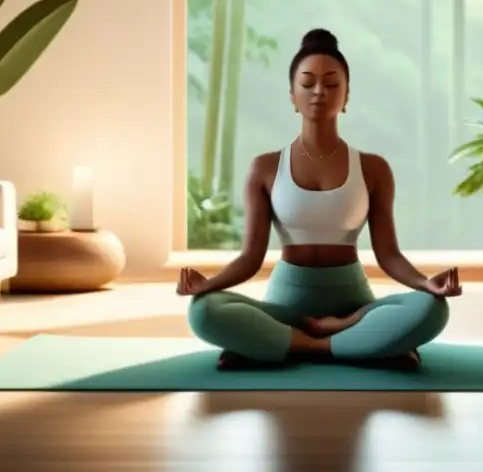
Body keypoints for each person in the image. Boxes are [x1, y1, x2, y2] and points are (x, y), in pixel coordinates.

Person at [177, 28, 462, 371]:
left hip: (353, 306)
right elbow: (250, 257)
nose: (319, 92)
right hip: (284, 307)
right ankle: (348, 345)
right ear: (292, 95)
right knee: (203, 310)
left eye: (331, 84)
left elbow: (389, 254)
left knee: (433, 308)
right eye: (307, 83)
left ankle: (291, 344)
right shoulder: (265, 167)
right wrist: (207, 285)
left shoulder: (373, 168)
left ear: (346, 95)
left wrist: (426, 283)